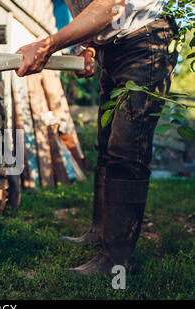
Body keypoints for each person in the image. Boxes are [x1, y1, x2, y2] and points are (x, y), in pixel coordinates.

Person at [16, 0, 178, 275]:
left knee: (127, 150)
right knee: (107, 145)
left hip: (145, 42)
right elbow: (91, 14)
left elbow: (109, 6)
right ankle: (101, 231)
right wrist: (89, 47)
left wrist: (47, 46)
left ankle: (118, 258)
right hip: (116, 47)